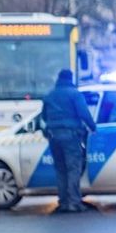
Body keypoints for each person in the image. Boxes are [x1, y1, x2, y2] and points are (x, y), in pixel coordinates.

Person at [40, 68, 97, 213]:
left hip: (53, 137)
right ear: (70, 79)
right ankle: (74, 202)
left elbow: (44, 117)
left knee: (61, 170)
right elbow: (83, 113)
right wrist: (93, 127)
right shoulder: (74, 94)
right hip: (71, 136)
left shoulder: (50, 96)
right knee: (73, 169)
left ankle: (64, 202)